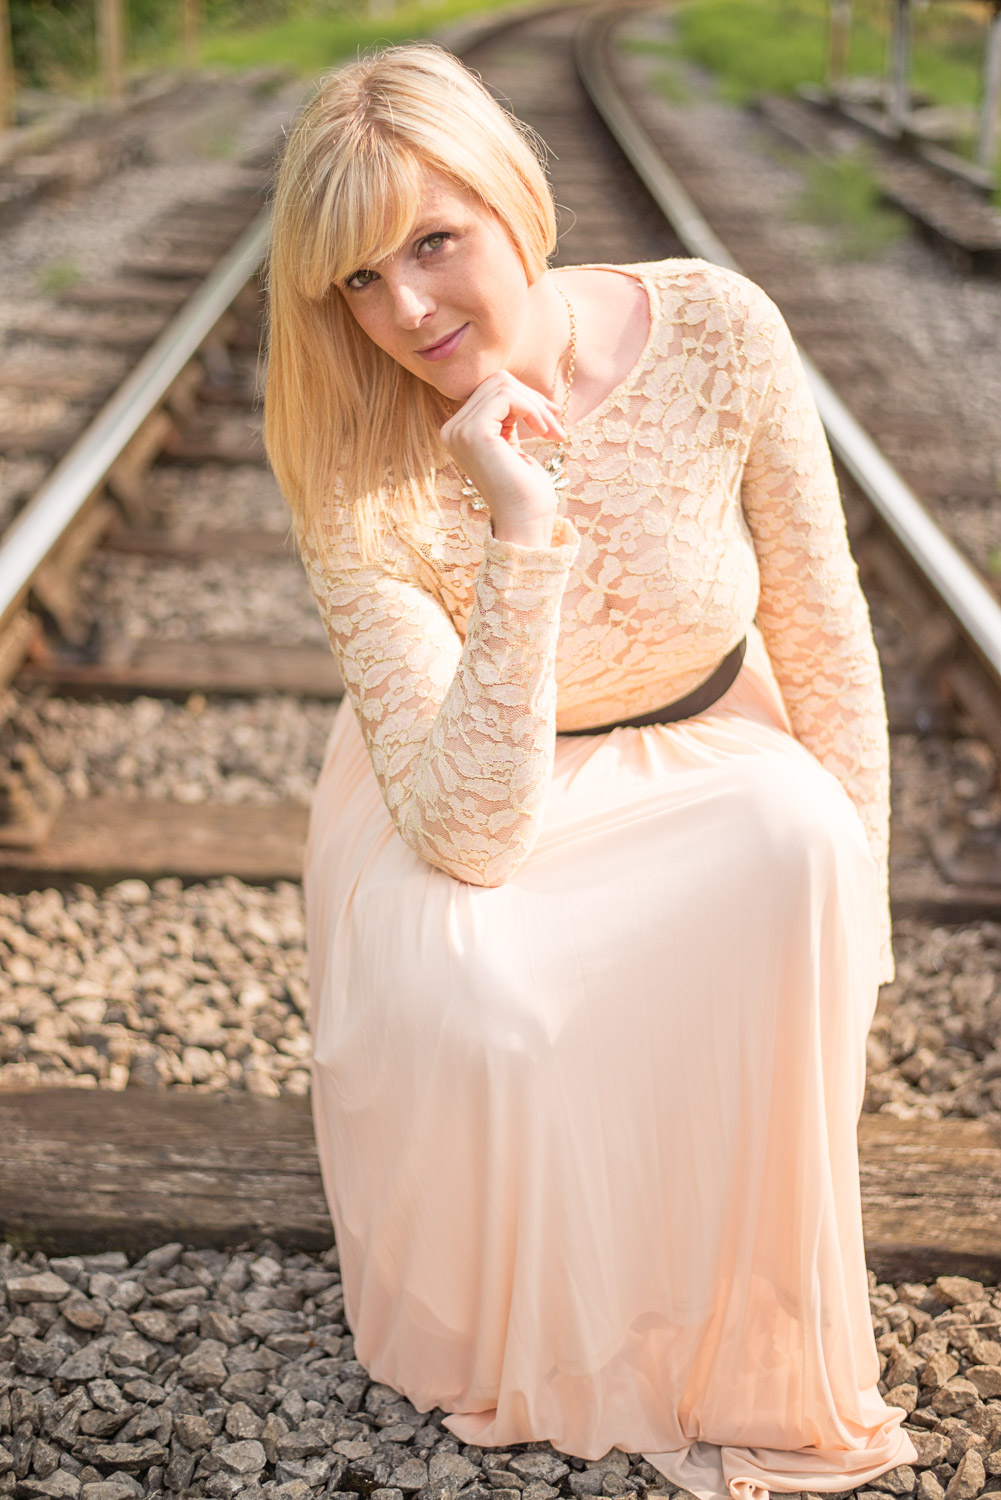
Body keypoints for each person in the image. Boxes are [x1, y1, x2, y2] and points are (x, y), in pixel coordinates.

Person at [262, 39, 919, 1500]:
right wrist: (517, 530)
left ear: (515, 201)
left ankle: (734, 1310)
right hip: (472, 787)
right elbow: (469, 830)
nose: (406, 308)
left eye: (432, 243)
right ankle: (552, 1320)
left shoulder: (718, 331)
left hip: (706, 752)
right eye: (357, 281)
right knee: (481, 994)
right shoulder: (352, 456)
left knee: (800, 840)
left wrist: (857, 921)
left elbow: (824, 637)